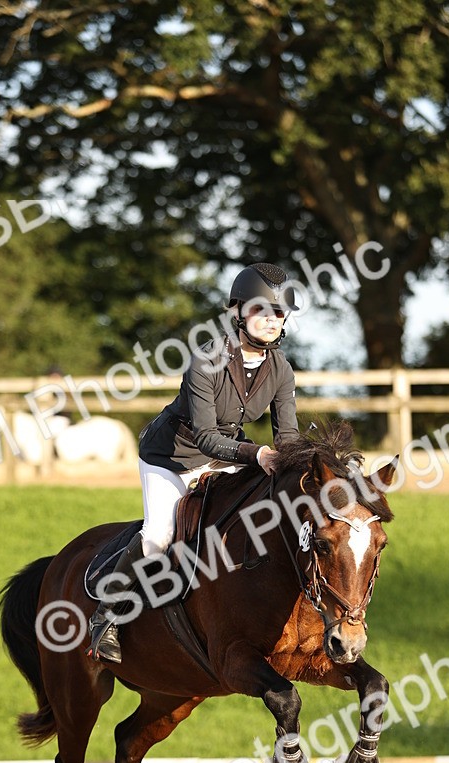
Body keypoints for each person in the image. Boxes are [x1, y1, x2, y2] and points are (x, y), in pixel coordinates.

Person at [88, 261, 301, 663]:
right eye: (261, 310)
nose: (272, 320)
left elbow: (286, 439)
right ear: (238, 313)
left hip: (227, 455)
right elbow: (205, 437)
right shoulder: (206, 360)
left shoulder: (282, 371)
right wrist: (257, 454)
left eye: (278, 312)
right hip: (172, 456)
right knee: (159, 536)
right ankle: (107, 614)